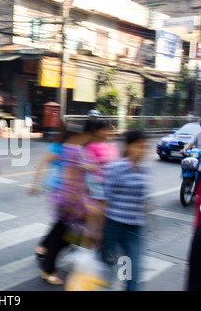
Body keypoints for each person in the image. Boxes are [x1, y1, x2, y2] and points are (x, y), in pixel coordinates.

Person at [39, 120, 91, 285]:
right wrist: (72, 200)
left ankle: (47, 259)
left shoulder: (73, 149)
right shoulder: (71, 149)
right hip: (69, 201)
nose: (87, 137)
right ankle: (49, 270)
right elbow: (68, 176)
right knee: (62, 237)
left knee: (62, 235)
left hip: (72, 201)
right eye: (84, 134)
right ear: (78, 134)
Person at [100, 129, 150, 291]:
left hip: (134, 229)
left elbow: (142, 200)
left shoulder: (143, 171)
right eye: (139, 146)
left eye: (145, 147)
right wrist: (98, 232)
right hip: (113, 226)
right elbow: (105, 199)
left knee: (132, 273)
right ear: (127, 146)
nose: (142, 151)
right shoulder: (115, 168)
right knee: (105, 267)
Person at [29, 122, 65, 260]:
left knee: (63, 221)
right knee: (62, 221)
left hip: (67, 187)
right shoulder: (56, 146)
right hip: (57, 187)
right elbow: (40, 164)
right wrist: (35, 184)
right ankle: (44, 247)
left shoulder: (73, 146)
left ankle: (47, 246)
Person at [83, 119, 120, 249]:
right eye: (104, 129)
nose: (107, 132)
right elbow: (89, 169)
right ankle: (87, 252)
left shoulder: (111, 146)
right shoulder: (90, 147)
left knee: (101, 223)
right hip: (96, 190)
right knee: (94, 223)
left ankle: (97, 249)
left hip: (108, 189)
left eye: (107, 129)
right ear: (96, 132)